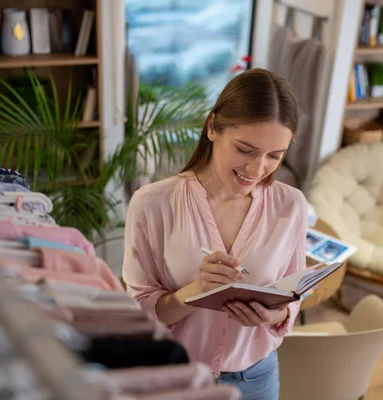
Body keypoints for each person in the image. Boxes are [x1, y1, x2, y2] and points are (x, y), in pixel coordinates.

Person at [122, 68, 307, 400]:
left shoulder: (291, 205)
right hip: (177, 378)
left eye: (274, 157)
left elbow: (293, 295)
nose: (256, 169)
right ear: (212, 127)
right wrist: (197, 291)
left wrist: (274, 314)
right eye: (245, 149)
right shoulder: (152, 204)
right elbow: (140, 313)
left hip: (257, 379)